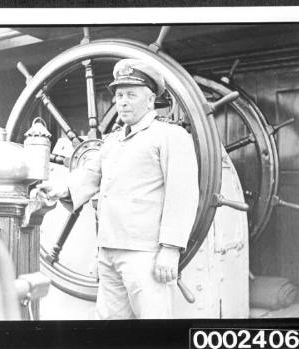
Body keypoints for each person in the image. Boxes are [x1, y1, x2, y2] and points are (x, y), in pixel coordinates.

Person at [36, 58, 199, 319]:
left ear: (150, 100)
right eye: (119, 95)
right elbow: (90, 175)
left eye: (131, 95)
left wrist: (171, 248)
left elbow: (183, 194)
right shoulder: (111, 142)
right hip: (109, 249)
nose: (122, 101)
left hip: (145, 254)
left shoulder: (170, 136)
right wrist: (59, 189)